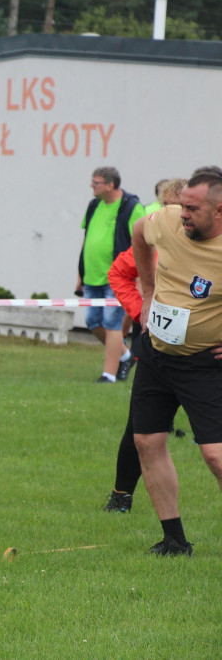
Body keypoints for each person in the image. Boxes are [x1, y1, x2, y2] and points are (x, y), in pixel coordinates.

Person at [129, 168, 222, 556]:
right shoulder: (167, 221)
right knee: (147, 441)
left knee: (215, 455)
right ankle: (174, 540)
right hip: (156, 354)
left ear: (219, 211)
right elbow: (138, 232)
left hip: (205, 365)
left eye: (192, 208)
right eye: (182, 204)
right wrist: (147, 289)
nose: (181, 213)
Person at [103, 180, 186, 512]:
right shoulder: (155, 237)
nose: (171, 213)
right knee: (140, 427)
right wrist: (142, 310)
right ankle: (121, 495)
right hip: (157, 343)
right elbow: (119, 274)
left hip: (206, 351)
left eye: (179, 207)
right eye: (164, 205)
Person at [75, 167, 145, 383]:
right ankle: (125, 355)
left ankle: (109, 375)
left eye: (96, 182)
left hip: (117, 277)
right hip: (92, 277)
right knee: (93, 321)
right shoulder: (94, 205)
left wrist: (140, 278)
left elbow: (143, 242)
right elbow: (87, 239)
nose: (91, 186)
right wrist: (80, 274)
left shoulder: (131, 207)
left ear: (110, 185)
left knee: (112, 323)